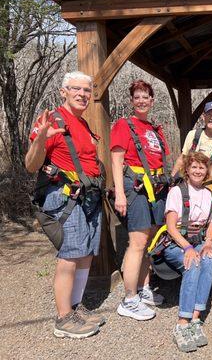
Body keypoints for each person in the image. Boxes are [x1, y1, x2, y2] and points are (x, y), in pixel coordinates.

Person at [26, 71, 105, 338]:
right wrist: (40, 138)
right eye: (76, 89)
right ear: (64, 91)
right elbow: (31, 164)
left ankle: (75, 306)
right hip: (64, 195)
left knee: (85, 253)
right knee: (70, 255)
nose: (82, 94)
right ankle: (62, 318)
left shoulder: (82, 124)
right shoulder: (53, 121)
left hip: (88, 195)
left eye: (87, 90)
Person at [111, 80, 170, 321]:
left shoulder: (155, 129)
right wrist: (120, 193)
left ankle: (144, 289)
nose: (142, 100)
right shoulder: (124, 125)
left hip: (157, 188)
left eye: (146, 96)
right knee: (136, 241)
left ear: (152, 100)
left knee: (150, 241)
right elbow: (116, 159)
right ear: (132, 101)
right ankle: (129, 299)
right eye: (137, 97)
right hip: (135, 187)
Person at [162, 152, 212, 353]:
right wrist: (187, 248)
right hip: (176, 243)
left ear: (207, 171)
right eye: (194, 167)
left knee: (209, 261)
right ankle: (182, 323)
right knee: (193, 263)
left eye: (202, 168)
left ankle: (195, 318)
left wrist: (209, 243)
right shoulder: (177, 192)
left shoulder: (210, 195)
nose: (198, 171)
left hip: (199, 241)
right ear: (187, 169)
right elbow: (171, 227)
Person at [171, 101, 212, 187]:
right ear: (203, 117)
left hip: (210, 186)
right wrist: (172, 181)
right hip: (188, 184)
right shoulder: (193, 135)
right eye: (209, 114)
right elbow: (182, 159)